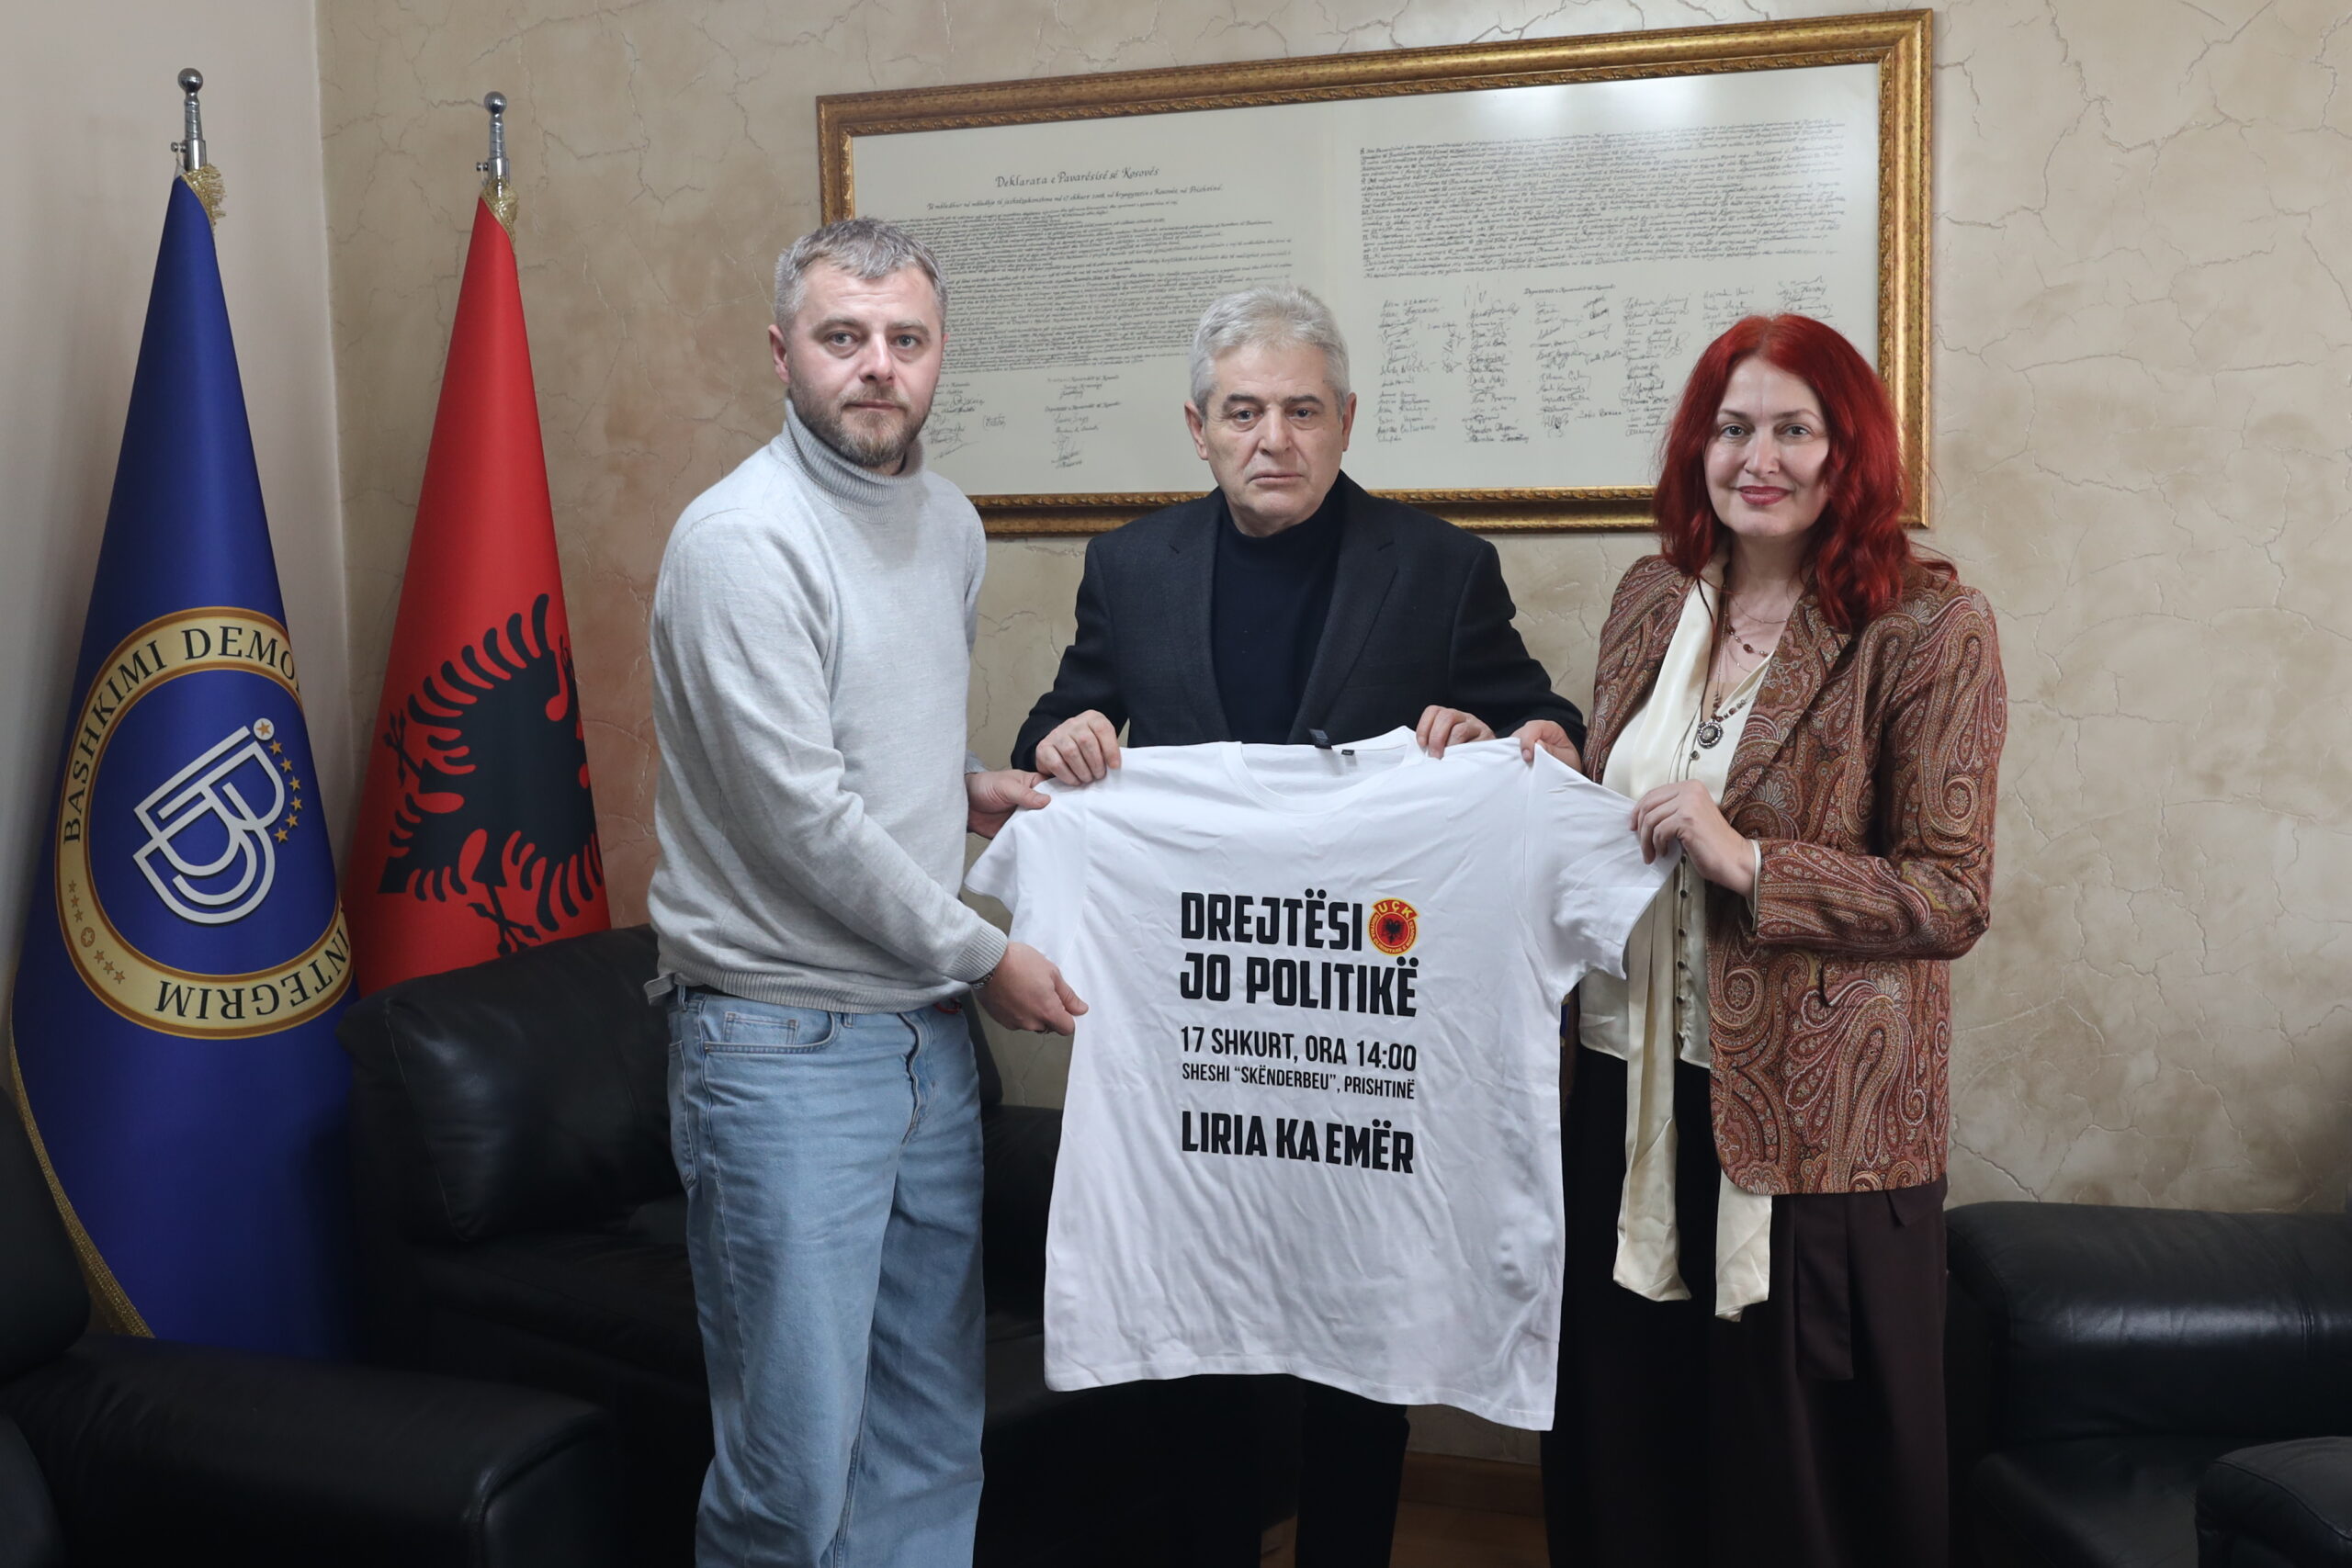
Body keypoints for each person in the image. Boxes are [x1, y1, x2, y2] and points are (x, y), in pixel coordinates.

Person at [1012, 286, 1584, 1568]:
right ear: (1198, 428)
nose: (1273, 438)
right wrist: (1064, 735)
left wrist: (1504, 734)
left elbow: (1549, 729)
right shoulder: (1131, 565)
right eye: (1243, 412)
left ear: (1347, 421)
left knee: (1360, 1332)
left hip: (1360, 1034)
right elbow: (1054, 730)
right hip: (1207, 1032)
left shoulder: (1440, 566)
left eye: (1302, 411)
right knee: (1199, 1322)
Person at [646, 217, 1084, 1568]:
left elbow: (852, 749)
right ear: (783, 354)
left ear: (940, 356)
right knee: (792, 1477)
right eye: (844, 337)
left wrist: (962, 787)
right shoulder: (741, 541)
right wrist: (984, 955)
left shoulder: (948, 523)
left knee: (927, 1443)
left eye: (906, 339)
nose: (878, 366)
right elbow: (798, 821)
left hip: (922, 1048)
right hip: (780, 1051)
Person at [1540, 313, 2006, 1568]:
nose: (1760, 458)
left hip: (1814, 1127)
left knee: (1789, 1481)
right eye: (1732, 428)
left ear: (1849, 450)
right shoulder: (1652, 599)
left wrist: (1753, 862)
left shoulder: (1927, 625)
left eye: (1795, 429)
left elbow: (1951, 894)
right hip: (1628, 1096)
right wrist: (1550, 767)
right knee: (1631, 1438)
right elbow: (1623, 816)